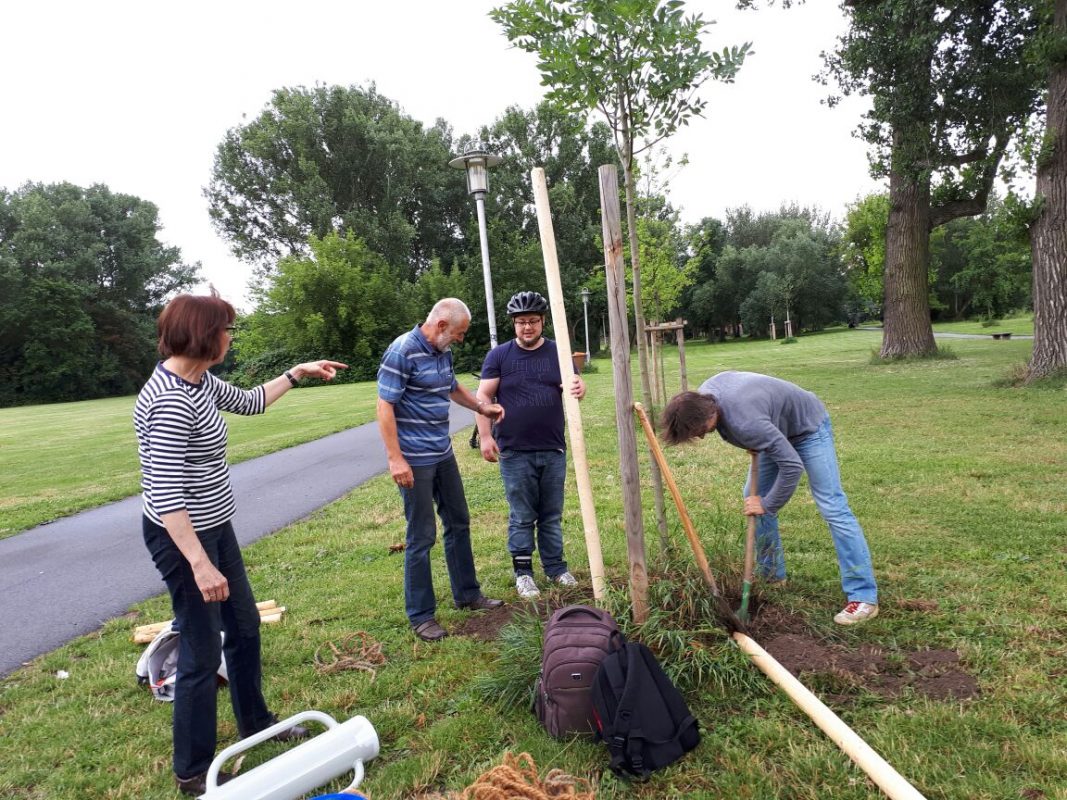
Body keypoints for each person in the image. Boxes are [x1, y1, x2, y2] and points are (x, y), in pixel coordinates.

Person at [133, 292, 348, 795]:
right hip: (183, 539)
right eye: (227, 329)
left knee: (245, 627)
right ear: (205, 336)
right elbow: (166, 496)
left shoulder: (199, 380)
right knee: (202, 652)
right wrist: (201, 566)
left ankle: (255, 723)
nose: (231, 337)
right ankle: (193, 771)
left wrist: (296, 373)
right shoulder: (169, 398)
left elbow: (249, 402)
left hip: (214, 527)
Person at [661, 371, 879, 625]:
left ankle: (863, 596)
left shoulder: (747, 424)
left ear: (709, 414)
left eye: (698, 431)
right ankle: (772, 575)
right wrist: (755, 439)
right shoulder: (707, 396)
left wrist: (768, 504)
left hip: (808, 429)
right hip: (772, 431)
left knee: (832, 506)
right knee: (751, 497)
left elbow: (792, 466)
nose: (698, 436)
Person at [376, 298, 506, 642]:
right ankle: (421, 615)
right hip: (414, 459)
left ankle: (467, 593)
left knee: (459, 520)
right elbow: (384, 406)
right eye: (460, 333)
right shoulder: (402, 351)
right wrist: (395, 458)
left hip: (442, 452)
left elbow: (451, 388)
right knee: (421, 535)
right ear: (441, 325)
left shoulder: (440, 351)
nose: (461, 340)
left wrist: (482, 407)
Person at [475, 291, 585, 599]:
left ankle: (556, 568)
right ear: (513, 324)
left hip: (552, 448)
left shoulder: (558, 353)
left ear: (543, 322)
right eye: (521, 322)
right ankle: (523, 574)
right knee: (522, 515)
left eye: (533, 321)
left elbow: (574, 386)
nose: (527, 327)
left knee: (551, 513)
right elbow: (483, 398)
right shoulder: (500, 356)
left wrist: (580, 386)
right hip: (514, 450)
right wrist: (485, 436)